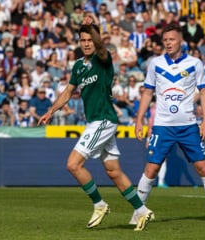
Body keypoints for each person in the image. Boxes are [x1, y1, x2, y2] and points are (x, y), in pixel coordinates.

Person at [38, 16, 154, 231]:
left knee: (73, 164)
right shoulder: (79, 66)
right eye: (82, 40)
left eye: (89, 39)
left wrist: (93, 27)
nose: (86, 43)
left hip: (104, 119)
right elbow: (68, 92)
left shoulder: (103, 59)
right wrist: (51, 111)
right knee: (113, 171)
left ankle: (99, 205)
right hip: (95, 121)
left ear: (96, 39)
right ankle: (141, 210)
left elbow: (100, 46)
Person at [132, 24, 205, 225]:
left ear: (180, 41)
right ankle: (137, 213)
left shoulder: (195, 63)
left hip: (188, 126)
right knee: (151, 170)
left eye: (172, 39)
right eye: (165, 40)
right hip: (162, 126)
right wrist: (139, 119)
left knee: (203, 168)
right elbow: (148, 92)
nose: (168, 43)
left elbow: (203, 92)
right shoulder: (155, 63)